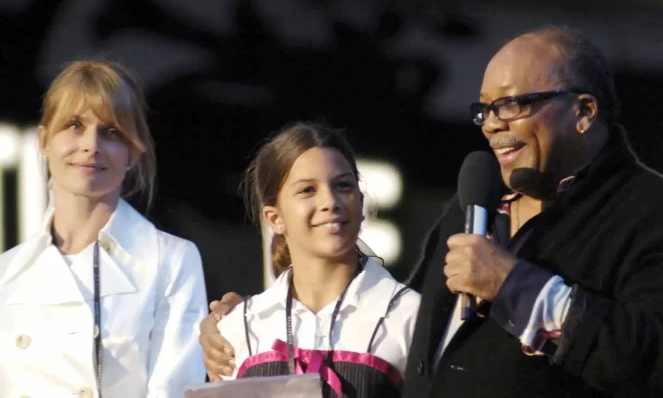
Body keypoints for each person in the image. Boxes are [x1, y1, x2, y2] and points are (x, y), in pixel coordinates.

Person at [199, 25, 663, 397]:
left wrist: (516, 286)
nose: (493, 125)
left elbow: (651, 357)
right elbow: (410, 331)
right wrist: (250, 319)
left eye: (513, 104)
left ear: (583, 111)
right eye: (484, 111)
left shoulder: (644, 211)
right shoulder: (476, 205)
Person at [0, 60, 208, 397]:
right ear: (43, 140)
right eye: (74, 125)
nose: (91, 145)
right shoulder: (7, 272)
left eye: (111, 132)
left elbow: (175, 388)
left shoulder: (170, 261)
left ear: (133, 152)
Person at [213, 122, 420, 397]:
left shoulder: (408, 315)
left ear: (361, 204)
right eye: (307, 190)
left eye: (342, 185)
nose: (330, 201)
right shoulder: (240, 326)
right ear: (275, 219)